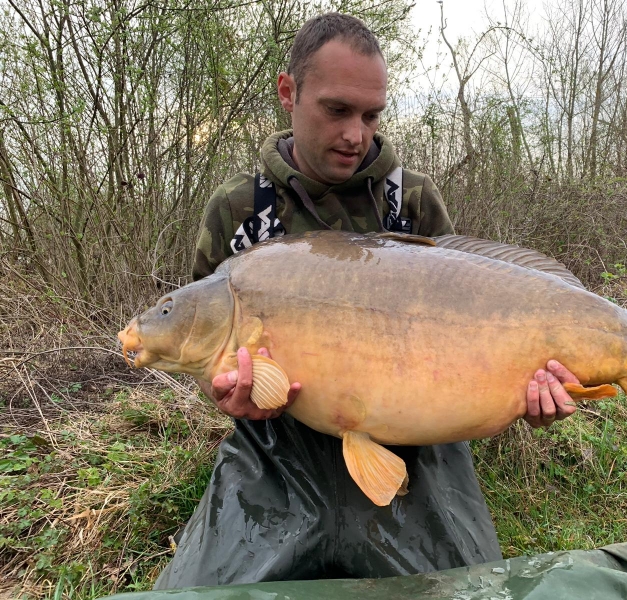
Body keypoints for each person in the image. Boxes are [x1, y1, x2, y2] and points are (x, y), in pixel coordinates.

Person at [154, 12, 580, 589]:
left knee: (472, 588)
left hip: (417, 449)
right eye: (337, 110)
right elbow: (210, 345)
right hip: (280, 449)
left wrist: (525, 393)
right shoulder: (238, 212)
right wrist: (226, 393)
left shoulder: (416, 199)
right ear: (289, 92)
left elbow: (469, 338)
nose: (357, 134)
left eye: (371, 114)